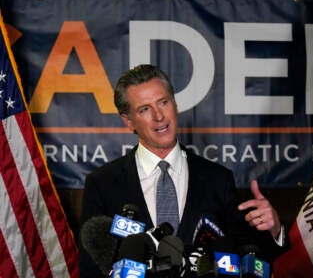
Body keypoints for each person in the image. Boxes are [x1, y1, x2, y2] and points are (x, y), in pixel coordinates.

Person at [79, 64, 289, 277]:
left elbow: (247, 255)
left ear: (174, 104)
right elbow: (91, 268)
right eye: (144, 109)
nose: (159, 116)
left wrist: (274, 230)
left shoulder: (218, 179)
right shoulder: (102, 184)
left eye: (163, 102)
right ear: (128, 121)